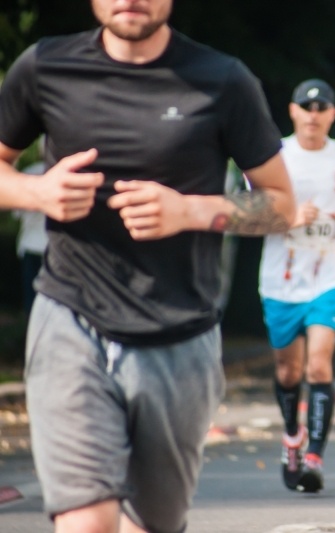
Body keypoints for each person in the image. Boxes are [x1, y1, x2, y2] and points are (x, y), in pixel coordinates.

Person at [0, 2, 296, 532]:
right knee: (87, 519)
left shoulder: (223, 80)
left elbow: (281, 204)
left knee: (151, 523)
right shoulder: (45, 66)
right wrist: (35, 191)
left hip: (180, 331)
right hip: (70, 314)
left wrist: (191, 209)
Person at [259, 78, 335, 493]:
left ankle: (314, 457)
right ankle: (292, 437)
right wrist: (288, 217)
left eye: (322, 108)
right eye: (306, 107)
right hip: (280, 277)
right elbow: (245, 214)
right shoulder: (274, 155)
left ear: (333, 114)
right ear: (293, 111)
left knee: (319, 364)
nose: (314, 115)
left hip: (329, 273)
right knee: (289, 370)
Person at [14, 137, 48, 316]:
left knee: (32, 306)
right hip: (52, 248)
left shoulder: (28, 174)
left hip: (30, 245)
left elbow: (17, 213)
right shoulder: (69, 178)